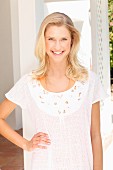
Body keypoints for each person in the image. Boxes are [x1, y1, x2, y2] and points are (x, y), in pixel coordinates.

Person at [0, 12, 106, 170]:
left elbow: (95, 136)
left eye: (63, 39)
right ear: (43, 42)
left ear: (72, 41)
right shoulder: (30, 83)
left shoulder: (90, 81)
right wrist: (26, 144)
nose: (57, 46)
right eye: (51, 39)